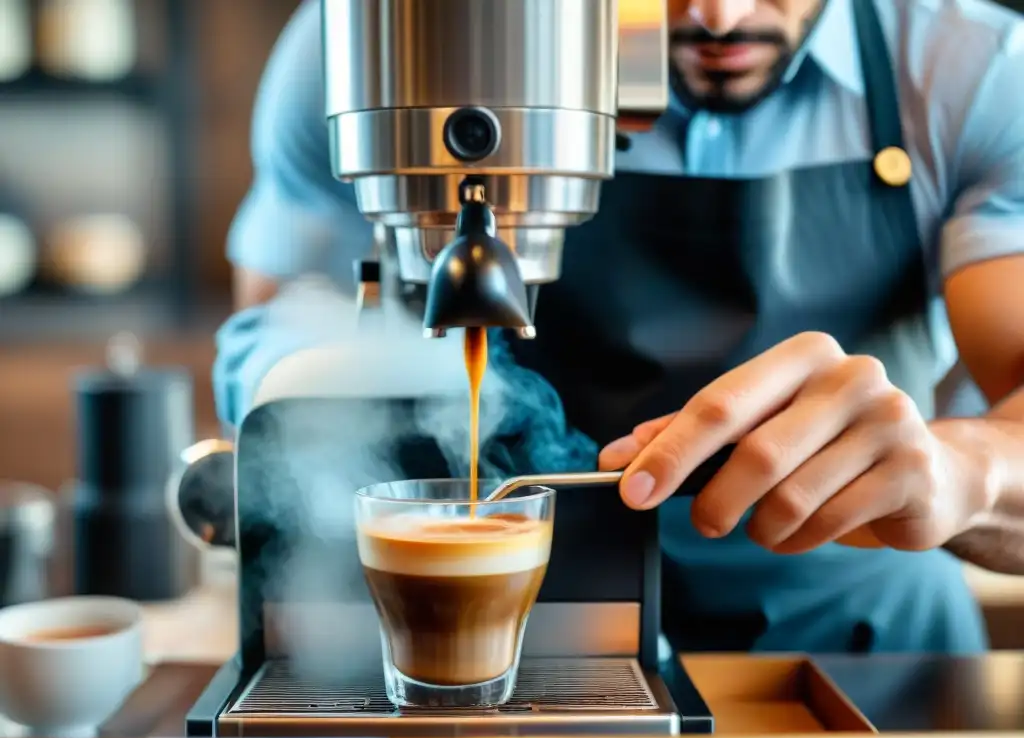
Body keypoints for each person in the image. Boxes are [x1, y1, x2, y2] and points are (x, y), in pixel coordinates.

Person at [215, 0, 1024, 654]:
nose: (716, 15)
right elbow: (283, 309)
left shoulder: (972, 72)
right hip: (509, 637)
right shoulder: (368, 42)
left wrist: (965, 472)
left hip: (860, 639)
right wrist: (316, 403)